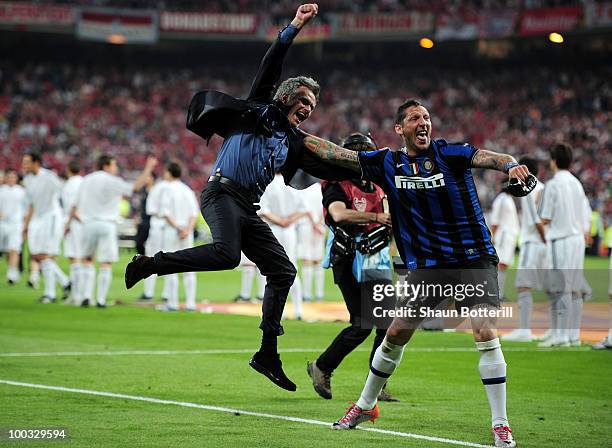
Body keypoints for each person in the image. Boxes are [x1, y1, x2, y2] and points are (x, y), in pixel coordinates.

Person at [124, 4, 356, 392]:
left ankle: (267, 353)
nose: (308, 109)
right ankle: (150, 265)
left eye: (312, 107)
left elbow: (331, 165)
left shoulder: (293, 142)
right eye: (303, 100)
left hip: (247, 206)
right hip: (221, 191)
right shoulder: (260, 110)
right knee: (228, 255)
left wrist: (377, 168)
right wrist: (295, 26)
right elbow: (271, 63)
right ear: (285, 97)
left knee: (283, 271)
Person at [301, 99, 534, 448]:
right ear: (400, 129)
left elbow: (489, 158)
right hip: (428, 265)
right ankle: (366, 406)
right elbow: (338, 155)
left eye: (426, 117)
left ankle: (500, 424)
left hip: (472, 256)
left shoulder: (449, 153)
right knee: (395, 333)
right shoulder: (387, 163)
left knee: (484, 330)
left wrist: (512, 165)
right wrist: (295, 134)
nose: (423, 123)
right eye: (414, 118)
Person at [306, 133, 398, 402]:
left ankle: (377, 385)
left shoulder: (379, 186)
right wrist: (377, 217)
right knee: (362, 324)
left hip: (377, 258)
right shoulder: (337, 184)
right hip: (347, 258)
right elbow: (338, 214)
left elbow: (391, 220)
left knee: (386, 324)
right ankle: (322, 367)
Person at [70, 154, 156, 308]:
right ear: (106, 165)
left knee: (87, 260)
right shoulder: (111, 180)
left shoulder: (86, 180)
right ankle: (101, 300)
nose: (116, 168)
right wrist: (148, 168)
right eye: (114, 165)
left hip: (88, 223)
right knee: (105, 263)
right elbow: (135, 187)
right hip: (107, 224)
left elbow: (75, 205)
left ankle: (86, 296)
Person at [537, 143, 589, 348]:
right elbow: (585, 215)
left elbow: (546, 218)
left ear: (554, 160)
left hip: (561, 239)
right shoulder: (577, 184)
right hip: (577, 240)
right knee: (574, 288)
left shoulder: (553, 184)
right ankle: (573, 335)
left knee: (561, 288)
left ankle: (561, 335)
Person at [503, 157, 546, 342]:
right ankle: (564, 331)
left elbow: (538, 220)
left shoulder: (530, 187)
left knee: (523, 287)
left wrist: (545, 239)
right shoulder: (542, 187)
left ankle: (524, 329)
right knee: (553, 288)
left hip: (532, 243)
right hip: (541, 243)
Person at [22, 153, 71, 303]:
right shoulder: (28, 179)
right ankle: (65, 282)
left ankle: (50, 293)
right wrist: (26, 225)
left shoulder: (49, 177)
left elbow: (63, 191)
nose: (24, 165)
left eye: (27, 162)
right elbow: (31, 204)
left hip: (51, 217)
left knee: (45, 255)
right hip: (37, 219)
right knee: (36, 255)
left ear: (36, 163)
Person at [258, 173, 308, 320]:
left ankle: (278, 311)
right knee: (292, 268)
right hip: (290, 230)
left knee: (273, 271)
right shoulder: (293, 184)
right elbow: (303, 210)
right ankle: (298, 310)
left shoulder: (268, 184)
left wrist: (279, 221)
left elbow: (263, 210)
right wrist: (288, 221)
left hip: (274, 229)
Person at [155, 162, 199, 312]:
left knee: (171, 266)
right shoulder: (188, 190)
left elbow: (166, 213)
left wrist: (178, 228)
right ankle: (190, 303)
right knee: (189, 268)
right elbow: (194, 214)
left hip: (172, 230)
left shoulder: (167, 189)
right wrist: (187, 229)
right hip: (187, 231)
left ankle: (172, 303)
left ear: (169, 172)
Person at [140, 174, 170, 303]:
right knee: (169, 259)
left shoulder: (156, 189)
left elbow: (150, 210)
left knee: (150, 260)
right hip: (170, 228)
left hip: (157, 226)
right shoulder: (180, 189)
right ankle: (167, 294)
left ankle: (148, 293)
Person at [297, 182, 326, 302]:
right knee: (318, 260)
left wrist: (313, 223)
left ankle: (306, 294)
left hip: (306, 226)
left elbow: (305, 209)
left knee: (307, 260)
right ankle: (319, 294)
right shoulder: (321, 189)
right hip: (320, 225)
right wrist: (318, 224)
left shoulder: (303, 189)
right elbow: (325, 208)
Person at [489, 185, 519, 299]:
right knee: (500, 264)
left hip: (509, 236)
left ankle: (498, 294)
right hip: (503, 236)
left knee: (503, 265)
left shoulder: (508, 198)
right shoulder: (501, 199)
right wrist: (494, 237)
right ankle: (496, 295)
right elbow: (495, 221)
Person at [61, 160, 84, 304]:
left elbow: (71, 207)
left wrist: (67, 224)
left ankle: (76, 295)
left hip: (75, 223)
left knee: (74, 258)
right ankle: (80, 293)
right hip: (84, 222)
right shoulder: (84, 182)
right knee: (81, 259)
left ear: (68, 169)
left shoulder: (68, 185)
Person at [0, 169, 27, 284]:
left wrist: (25, 224)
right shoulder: (1, 191)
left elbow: (27, 208)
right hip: (3, 224)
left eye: (13, 176)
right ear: (5, 178)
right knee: (6, 250)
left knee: (14, 248)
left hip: (16, 223)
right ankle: (13, 269)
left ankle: (11, 274)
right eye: (9, 176)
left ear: (16, 178)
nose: (11, 179)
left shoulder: (21, 191)